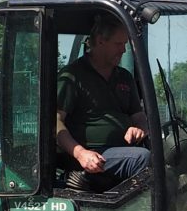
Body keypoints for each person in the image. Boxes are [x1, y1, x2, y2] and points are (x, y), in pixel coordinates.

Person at [55, 16, 151, 189]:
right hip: (91, 154)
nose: (123, 50)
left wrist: (140, 128)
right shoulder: (72, 76)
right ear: (100, 41)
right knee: (144, 158)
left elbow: (139, 116)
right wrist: (81, 153)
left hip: (122, 151)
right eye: (118, 44)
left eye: (125, 44)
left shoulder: (124, 77)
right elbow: (55, 122)